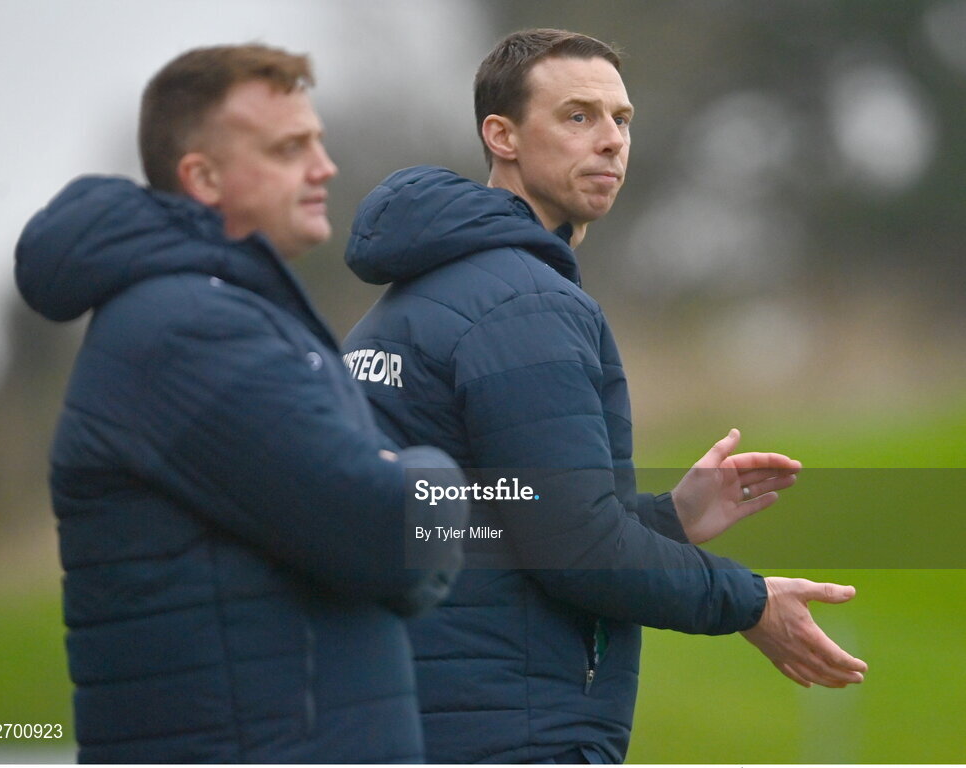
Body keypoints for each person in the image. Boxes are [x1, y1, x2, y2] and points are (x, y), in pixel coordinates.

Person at [341, 29, 868, 763]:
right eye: (578, 117)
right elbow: (572, 546)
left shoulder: (416, 296)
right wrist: (747, 602)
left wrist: (668, 519)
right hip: (509, 729)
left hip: (423, 715)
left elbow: (494, 521)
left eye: (621, 120)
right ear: (502, 136)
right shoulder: (520, 302)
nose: (612, 142)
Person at [14, 44, 468, 763]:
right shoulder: (187, 332)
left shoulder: (219, 311)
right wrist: (434, 470)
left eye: (316, 141)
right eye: (289, 148)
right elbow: (388, 533)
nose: (324, 167)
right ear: (202, 177)